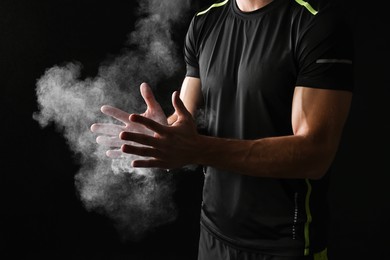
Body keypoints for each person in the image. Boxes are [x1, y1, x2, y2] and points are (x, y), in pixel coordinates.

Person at [90, 0, 353, 259]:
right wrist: (160, 135)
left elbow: (315, 154)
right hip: (214, 236)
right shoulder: (205, 22)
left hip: (285, 244)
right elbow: (185, 121)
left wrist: (197, 149)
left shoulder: (315, 22)